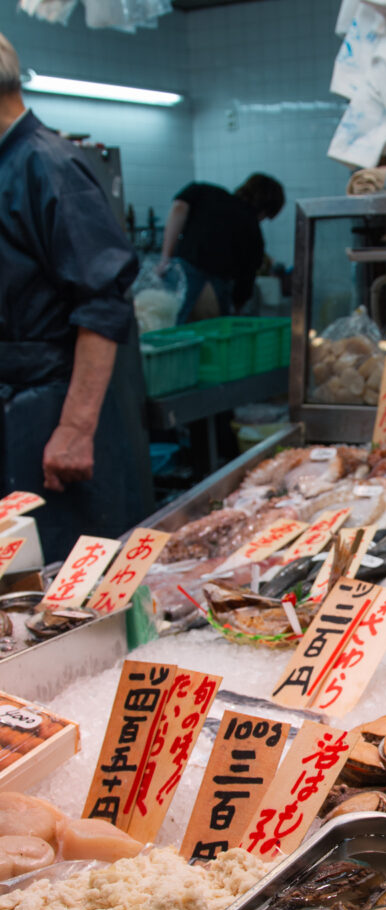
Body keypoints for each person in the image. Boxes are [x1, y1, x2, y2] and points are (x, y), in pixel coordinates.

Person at [0, 32, 153, 561]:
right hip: (20, 410)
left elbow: (103, 302)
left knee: (74, 585)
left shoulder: (48, 166)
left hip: (55, 417)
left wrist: (74, 428)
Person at [158, 175, 285, 323]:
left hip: (180, 277)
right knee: (211, 338)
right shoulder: (253, 229)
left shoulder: (205, 191)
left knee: (167, 329)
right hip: (215, 291)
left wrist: (165, 258)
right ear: (265, 210)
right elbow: (245, 280)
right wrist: (238, 309)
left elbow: (179, 208)